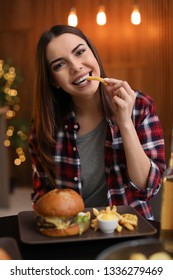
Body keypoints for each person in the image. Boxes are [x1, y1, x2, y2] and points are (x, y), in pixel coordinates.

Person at [28, 24, 166, 220]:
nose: (76, 66)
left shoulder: (140, 105)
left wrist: (125, 123)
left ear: (93, 54)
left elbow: (148, 188)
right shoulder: (44, 128)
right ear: (54, 81)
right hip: (73, 235)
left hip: (130, 232)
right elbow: (41, 197)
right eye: (60, 64)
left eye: (80, 52)